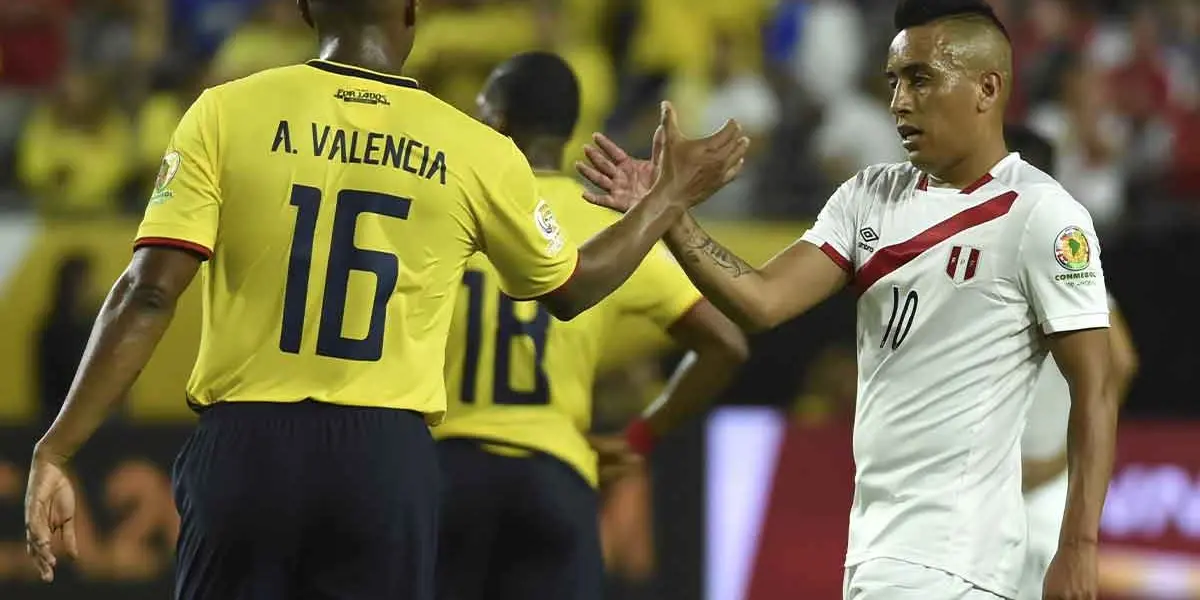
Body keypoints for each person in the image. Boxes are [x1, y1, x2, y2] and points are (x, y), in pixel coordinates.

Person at [21, 0, 750, 598]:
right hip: (384, 457)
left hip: (246, 448)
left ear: (306, 8)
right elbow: (570, 288)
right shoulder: (472, 148)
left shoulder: (224, 111)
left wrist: (58, 446)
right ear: (411, 13)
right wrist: (667, 198)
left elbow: (148, 294)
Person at [578, 1, 1119, 598]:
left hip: (954, 557)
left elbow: (1096, 384)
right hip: (877, 549)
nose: (899, 101)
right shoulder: (870, 197)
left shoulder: (1043, 215)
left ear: (987, 88)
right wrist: (669, 214)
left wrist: (1079, 547)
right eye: (893, 81)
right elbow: (761, 301)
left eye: (920, 79)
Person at [435, 51, 749, 600]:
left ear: (497, 119)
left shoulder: (454, 206)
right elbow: (725, 343)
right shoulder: (610, 226)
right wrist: (641, 435)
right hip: (555, 474)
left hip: (445, 472)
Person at [1003, 124, 1140, 600]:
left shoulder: (1064, 256)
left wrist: (1066, 454)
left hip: (1044, 488)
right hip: (986, 482)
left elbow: (1119, 362)